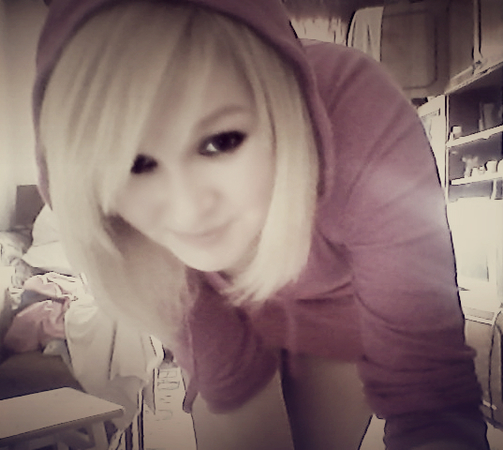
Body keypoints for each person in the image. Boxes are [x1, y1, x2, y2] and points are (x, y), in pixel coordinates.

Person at [33, 0, 490, 449]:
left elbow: (429, 400)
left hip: (338, 303)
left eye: (221, 141)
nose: (189, 211)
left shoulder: (360, 113)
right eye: (134, 164)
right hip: (208, 299)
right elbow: (225, 373)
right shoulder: (121, 228)